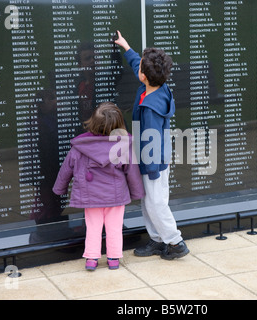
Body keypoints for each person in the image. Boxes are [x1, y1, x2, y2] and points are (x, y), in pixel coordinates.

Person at [114, 31, 190, 260]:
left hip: (153, 161)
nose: (138, 70)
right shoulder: (158, 85)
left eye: (140, 70)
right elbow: (140, 63)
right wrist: (127, 48)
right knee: (148, 202)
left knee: (156, 202)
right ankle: (158, 240)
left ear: (144, 77)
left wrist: (152, 169)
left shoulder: (151, 109)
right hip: (149, 159)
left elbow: (152, 141)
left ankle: (176, 242)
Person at [52, 102, 145, 271]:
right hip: (115, 197)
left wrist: (59, 189)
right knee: (114, 227)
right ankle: (113, 258)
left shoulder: (80, 147)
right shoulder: (123, 146)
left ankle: (92, 259)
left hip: (90, 197)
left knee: (93, 227)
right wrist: (137, 192)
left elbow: (66, 169)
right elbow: (132, 170)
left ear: (93, 122)